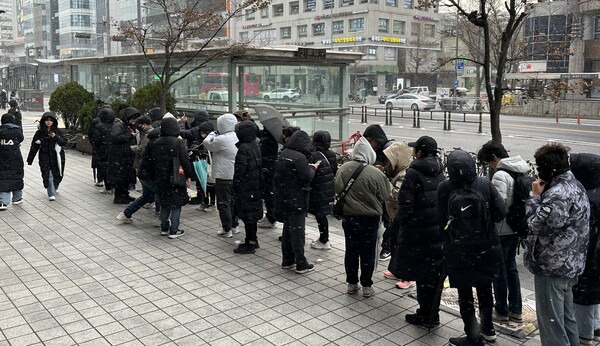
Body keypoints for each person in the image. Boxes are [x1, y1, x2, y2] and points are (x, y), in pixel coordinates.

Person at [438, 150, 507, 346]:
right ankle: (489, 330)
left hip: (459, 251)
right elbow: (500, 213)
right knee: (485, 290)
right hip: (486, 246)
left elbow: (441, 220)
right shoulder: (485, 183)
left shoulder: (445, 187)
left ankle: (473, 335)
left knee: (465, 294)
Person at [523, 143, 590, 346]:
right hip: (571, 263)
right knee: (566, 316)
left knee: (551, 321)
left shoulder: (557, 194)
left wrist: (535, 198)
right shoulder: (576, 185)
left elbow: (537, 225)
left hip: (551, 265)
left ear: (547, 169)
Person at [388, 136, 446, 323]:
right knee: (433, 275)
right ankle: (432, 313)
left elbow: (405, 206)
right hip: (437, 230)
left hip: (418, 232)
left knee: (422, 274)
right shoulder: (440, 171)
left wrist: (397, 229)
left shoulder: (412, 174)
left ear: (419, 152)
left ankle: (425, 314)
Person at [476, 141, 529, 323]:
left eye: (488, 162)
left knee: (499, 271)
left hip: (502, 231)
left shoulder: (500, 174)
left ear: (493, 158)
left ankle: (501, 310)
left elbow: (498, 205)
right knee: (511, 269)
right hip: (515, 228)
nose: (489, 167)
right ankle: (516, 309)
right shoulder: (520, 169)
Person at [335, 136, 391, 297]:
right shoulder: (375, 173)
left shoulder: (343, 169)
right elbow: (385, 195)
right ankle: (367, 285)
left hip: (349, 217)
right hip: (369, 219)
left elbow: (337, 188)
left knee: (351, 251)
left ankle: (351, 284)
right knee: (367, 252)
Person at [276, 130, 317, 274]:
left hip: (284, 198)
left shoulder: (284, 154)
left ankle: (287, 260)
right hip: (297, 200)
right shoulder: (299, 158)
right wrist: (313, 168)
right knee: (297, 233)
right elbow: (306, 177)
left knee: (287, 230)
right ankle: (301, 263)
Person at [570, 153, 600, 346]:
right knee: (594, 294)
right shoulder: (596, 191)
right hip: (596, 255)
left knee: (583, 297)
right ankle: (595, 328)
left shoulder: (586, 197)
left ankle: (585, 335)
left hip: (588, 255)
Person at [147, 117, 193, 239]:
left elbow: (153, 161)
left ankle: (164, 227)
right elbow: (185, 161)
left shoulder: (157, 142)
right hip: (176, 177)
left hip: (161, 178)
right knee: (176, 204)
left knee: (165, 203)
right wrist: (189, 175)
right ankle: (174, 230)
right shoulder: (178, 142)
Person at [380, 141, 413, 289]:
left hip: (404, 215)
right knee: (394, 241)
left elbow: (396, 194)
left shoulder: (405, 173)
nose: (387, 164)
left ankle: (408, 277)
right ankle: (396, 269)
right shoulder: (398, 171)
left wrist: (383, 181)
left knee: (404, 244)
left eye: (389, 160)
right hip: (396, 215)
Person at [203, 113, 239, 238]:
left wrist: (212, 134)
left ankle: (226, 229)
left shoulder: (222, 139)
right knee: (233, 201)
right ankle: (235, 225)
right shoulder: (237, 136)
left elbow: (207, 143)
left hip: (223, 175)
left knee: (223, 203)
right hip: (235, 174)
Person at [116, 116, 158, 224]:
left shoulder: (148, 135)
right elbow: (142, 150)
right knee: (157, 193)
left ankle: (126, 214)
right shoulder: (150, 135)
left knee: (147, 195)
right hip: (146, 170)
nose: (138, 126)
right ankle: (161, 218)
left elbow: (142, 150)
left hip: (143, 169)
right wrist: (134, 148)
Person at [232, 120, 263, 254]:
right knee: (252, 215)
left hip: (246, 186)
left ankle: (249, 242)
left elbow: (240, 169)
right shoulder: (255, 145)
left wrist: (236, 183)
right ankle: (253, 240)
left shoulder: (243, 148)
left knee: (247, 215)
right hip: (255, 185)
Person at [27, 112, 67, 201]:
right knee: (48, 175)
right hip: (44, 157)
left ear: (53, 122)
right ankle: (51, 193)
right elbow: (34, 146)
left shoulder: (58, 131)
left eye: (50, 120)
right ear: (43, 121)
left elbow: (64, 142)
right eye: (46, 120)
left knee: (57, 174)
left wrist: (55, 137)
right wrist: (30, 159)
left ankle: (55, 187)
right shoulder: (40, 132)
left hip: (57, 157)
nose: (48, 122)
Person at [309, 130, 337, 250]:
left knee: (320, 215)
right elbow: (334, 170)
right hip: (329, 188)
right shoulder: (332, 154)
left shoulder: (314, 155)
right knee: (322, 215)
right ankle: (324, 238)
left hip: (318, 189)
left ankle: (324, 239)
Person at [107, 107, 139, 204]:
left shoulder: (128, 126)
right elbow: (116, 137)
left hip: (126, 157)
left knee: (126, 177)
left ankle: (125, 194)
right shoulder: (119, 126)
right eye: (132, 119)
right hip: (119, 157)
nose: (133, 121)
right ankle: (119, 197)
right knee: (120, 178)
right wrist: (130, 136)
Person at [0, 113, 25, 210]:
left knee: (3, 179)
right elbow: (21, 139)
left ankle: (3, 202)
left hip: (2, 158)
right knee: (16, 178)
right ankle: (17, 198)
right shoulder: (16, 130)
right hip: (15, 158)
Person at [257, 127, 279, 229]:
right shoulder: (271, 136)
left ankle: (271, 218)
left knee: (269, 194)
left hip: (267, 168)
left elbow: (265, 153)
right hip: (269, 168)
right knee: (269, 194)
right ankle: (270, 217)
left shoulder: (268, 139)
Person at [91, 107, 116, 194]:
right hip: (113, 150)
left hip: (102, 151)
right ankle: (113, 186)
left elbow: (96, 139)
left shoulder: (99, 126)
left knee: (104, 169)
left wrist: (96, 147)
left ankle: (108, 187)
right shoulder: (115, 126)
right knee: (113, 169)